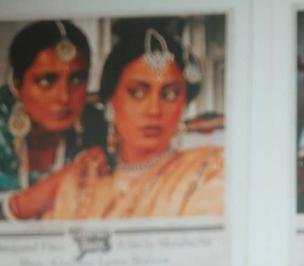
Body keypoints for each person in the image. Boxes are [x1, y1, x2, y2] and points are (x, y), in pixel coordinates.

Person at [47, 24, 224, 220]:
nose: (154, 110)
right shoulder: (81, 182)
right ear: (110, 101)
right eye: (137, 92)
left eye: (169, 94)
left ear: (184, 104)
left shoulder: (206, 170)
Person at [0, 19, 105, 221]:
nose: (64, 97)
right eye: (46, 80)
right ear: (17, 84)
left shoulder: (100, 129)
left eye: (77, 79)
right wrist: (24, 204)